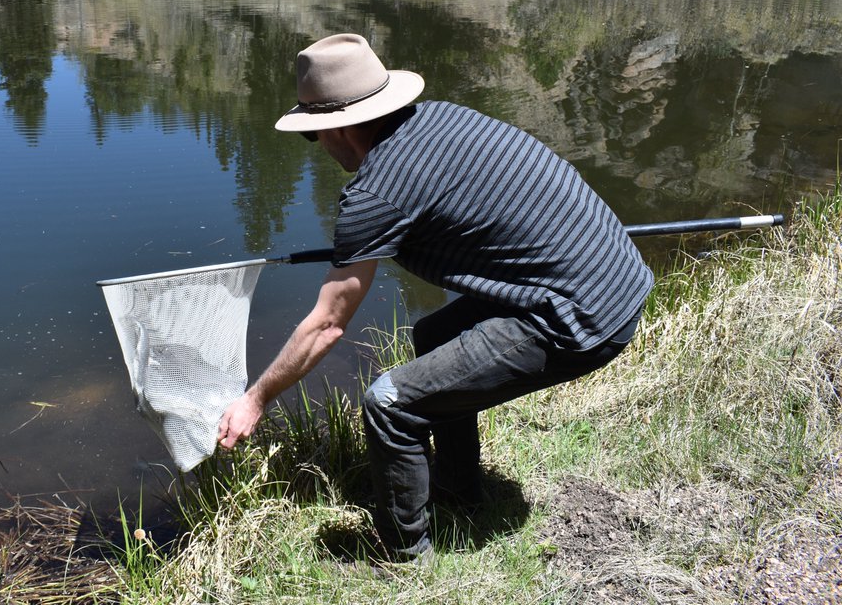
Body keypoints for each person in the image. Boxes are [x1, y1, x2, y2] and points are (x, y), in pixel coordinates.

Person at [216, 33, 654, 561]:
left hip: (579, 315)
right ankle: (457, 491)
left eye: (314, 136)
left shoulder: (375, 192)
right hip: (614, 274)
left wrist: (254, 398)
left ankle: (406, 557)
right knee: (432, 333)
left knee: (389, 402)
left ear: (337, 128)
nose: (320, 148)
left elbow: (328, 324)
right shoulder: (439, 118)